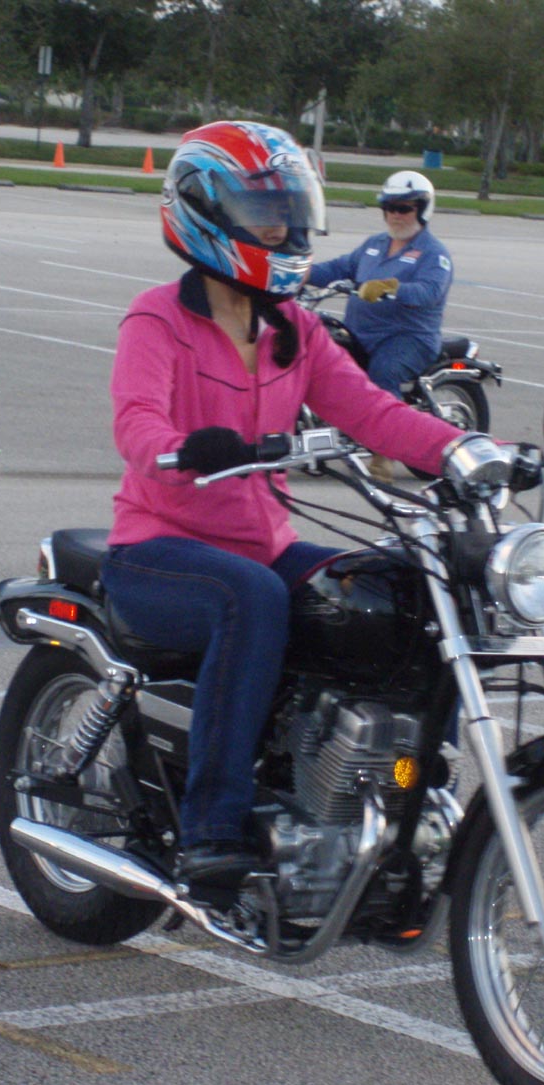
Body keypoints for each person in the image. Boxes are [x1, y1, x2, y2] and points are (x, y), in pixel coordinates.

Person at [100, 122, 488, 897]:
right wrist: (181, 448)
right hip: (158, 547)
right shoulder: (157, 318)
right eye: (262, 211)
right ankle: (212, 831)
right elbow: (136, 419)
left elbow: (374, 412)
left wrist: (469, 450)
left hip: (264, 544)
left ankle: (405, 788)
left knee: (408, 590)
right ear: (207, 212)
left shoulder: (294, 327)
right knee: (250, 598)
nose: (281, 228)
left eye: (288, 211)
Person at [307, 170, 453, 482]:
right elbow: (338, 268)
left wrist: (392, 287)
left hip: (408, 338)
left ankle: (382, 454)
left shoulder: (434, 254)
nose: (394, 215)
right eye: (388, 208)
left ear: (422, 209)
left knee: (383, 372)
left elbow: (430, 291)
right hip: (361, 334)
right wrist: (299, 273)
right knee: (321, 356)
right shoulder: (374, 245)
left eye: (403, 208)